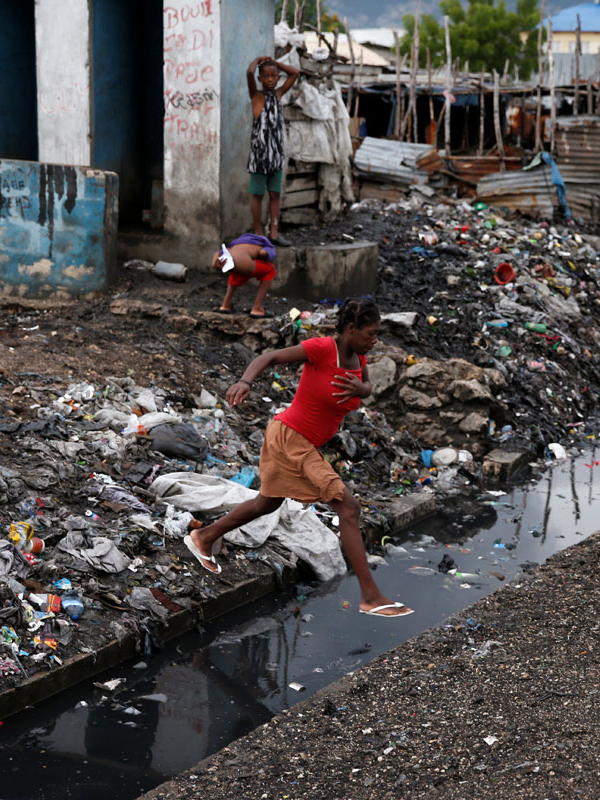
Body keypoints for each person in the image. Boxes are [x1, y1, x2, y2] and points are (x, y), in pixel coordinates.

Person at [184, 298, 414, 619]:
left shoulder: (359, 356)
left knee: (268, 503)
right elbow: (270, 356)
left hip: (304, 442)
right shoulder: (322, 348)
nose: (376, 340)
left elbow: (368, 388)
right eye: (371, 333)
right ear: (351, 329)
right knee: (348, 507)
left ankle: (204, 537)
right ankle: (370, 596)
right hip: (291, 438)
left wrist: (361, 388)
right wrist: (245, 381)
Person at [247, 55, 298, 247]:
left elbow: (295, 73)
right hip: (260, 157)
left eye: (273, 76)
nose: (269, 79)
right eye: (265, 76)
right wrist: (258, 61)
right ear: (260, 79)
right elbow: (249, 73)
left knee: (275, 194)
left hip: (276, 156)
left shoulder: (278, 94)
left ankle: (274, 233)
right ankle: (259, 234)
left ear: (278, 78)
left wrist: (275, 63)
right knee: (258, 195)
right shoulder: (256, 96)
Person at [213, 233, 276, 319]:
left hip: (230, 260)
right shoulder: (264, 244)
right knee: (270, 270)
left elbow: (219, 252)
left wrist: (215, 263)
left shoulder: (237, 244)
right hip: (245, 263)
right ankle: (256, 309)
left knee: (236, 273)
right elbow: (263, 253)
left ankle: (225, 305)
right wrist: (265, 255)